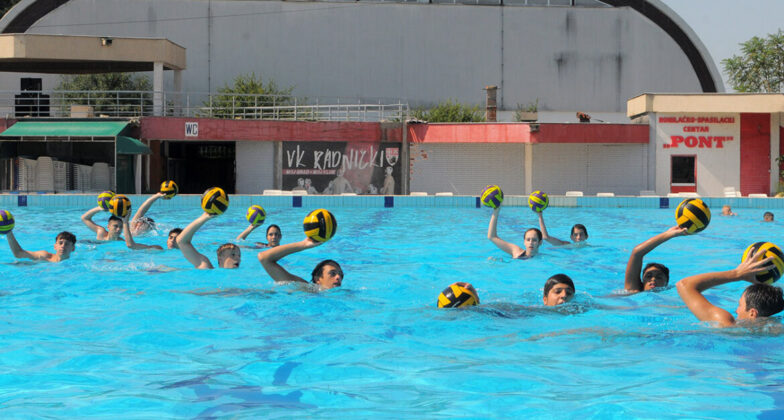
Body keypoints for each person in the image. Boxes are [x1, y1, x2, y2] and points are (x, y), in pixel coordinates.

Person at [676, 251, 784, 327]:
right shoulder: (778, 330)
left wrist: (737, 274)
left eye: (740, 305)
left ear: (752, 313)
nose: (736, 310)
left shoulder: (729, 326)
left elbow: (684, 285)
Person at [257, 238, 343, 289]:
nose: (338, 277)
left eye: (341, 275)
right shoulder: (307, 290)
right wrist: (303, 244)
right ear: (318, 280)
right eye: (332, 273)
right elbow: (264, 258)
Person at [624, 226, 687, 292]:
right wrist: (669, 234)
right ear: (643, 281)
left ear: (666, 283)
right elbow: (637, 253)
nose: (653, 279)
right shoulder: (634, 291)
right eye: (649, 276)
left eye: (659, 277)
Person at [176, 213, 241, 269]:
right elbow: (182, 242)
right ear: (220, 258)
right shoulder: (207, 268)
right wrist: (205, 217)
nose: (238, 259)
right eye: (233, 255)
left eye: (239, 256)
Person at [5, 230, 76, 263]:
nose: (63, 246)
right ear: (55, 246)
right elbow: (18, 253)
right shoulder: (44, 257)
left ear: (73, 248)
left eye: (67, 244)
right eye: (60, 243)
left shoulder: (74, 264)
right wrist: (8, 232)